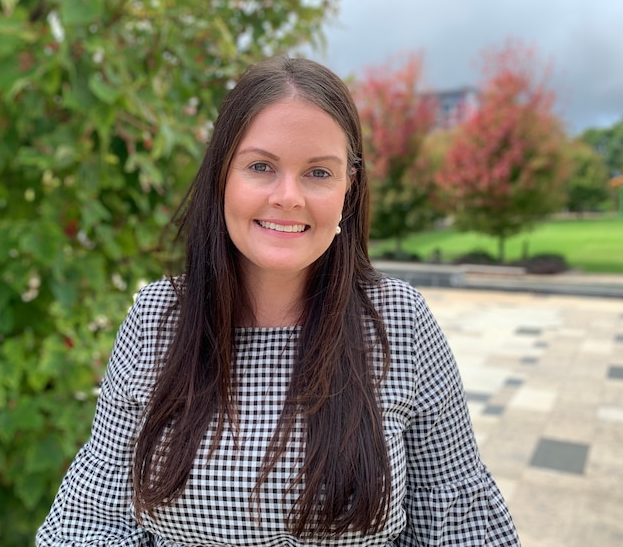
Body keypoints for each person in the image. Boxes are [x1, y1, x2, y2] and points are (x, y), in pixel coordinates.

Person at [36, 56, 520, 546]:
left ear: (348, 188)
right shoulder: (158, 319)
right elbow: (92, 520)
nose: (288, 196)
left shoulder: (398, 320)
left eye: (318, 173)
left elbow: (460, 524)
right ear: (222, 175)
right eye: (261, 166)